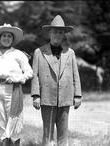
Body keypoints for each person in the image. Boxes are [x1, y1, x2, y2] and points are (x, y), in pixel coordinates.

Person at [31, 15, 82, 146]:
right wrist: (36, 95)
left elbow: (76, 75)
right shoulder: (39, 52)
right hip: (47, 97)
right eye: (54, 31)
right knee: (47, 133)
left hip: (65, 97)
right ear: (49, 33)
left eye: (60, 32)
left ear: (64, 34)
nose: (57, 35)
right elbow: (35, 75)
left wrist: (77, 95)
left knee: (63, 132)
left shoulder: (70, 53)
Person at [0, 23, 33, 146]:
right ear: (0, 38)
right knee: (2, 123)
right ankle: (5, 143)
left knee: (14, 122)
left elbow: (29, 73)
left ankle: (13, 143)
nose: (6, 38)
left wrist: (16, 78)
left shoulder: (18, 54)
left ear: (12, 39)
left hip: (12, 90)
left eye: (9, 36)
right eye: (4, 36)